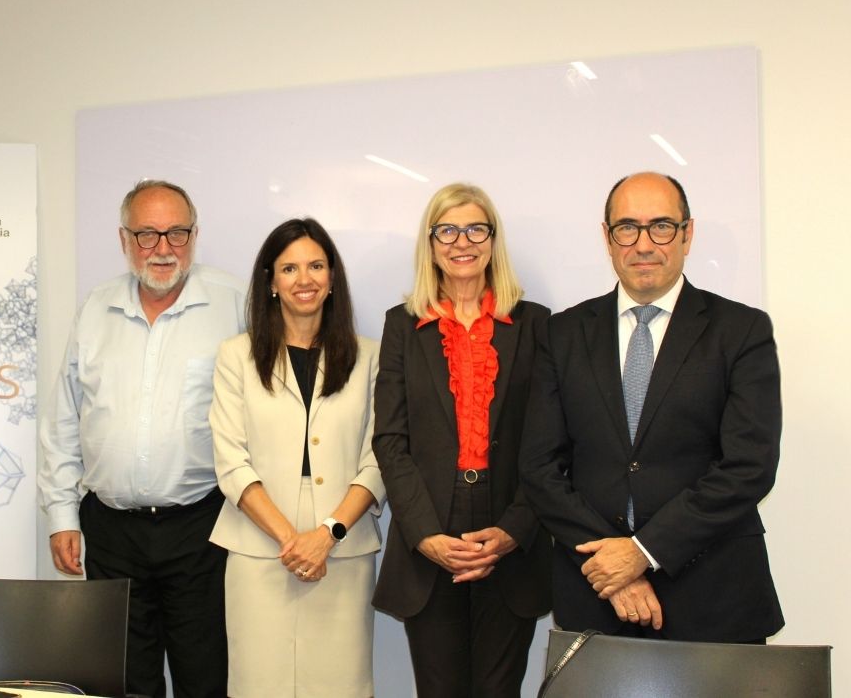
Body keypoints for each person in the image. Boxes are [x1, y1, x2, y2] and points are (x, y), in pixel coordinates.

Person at [519, 171, 784, 643]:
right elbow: (539, 467)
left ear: (687, 234)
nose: (644, 245)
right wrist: (612, 565)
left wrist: (642, 552)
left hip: (716, 597)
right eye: (627, 228)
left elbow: (749, 466)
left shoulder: (741, 330)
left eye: (661, 226)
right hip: (597, 594)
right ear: (607, 237)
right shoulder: (562, 334)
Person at [38, 179, 244, 698]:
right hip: (110, 533)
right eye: (147, 234)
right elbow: (64, 416)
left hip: (200, 529)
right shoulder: (95, 308)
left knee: (205, 679)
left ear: (195, 235)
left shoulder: (233, 304)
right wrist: (62, 515)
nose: (163, 248)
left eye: (177, 233)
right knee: (125, 682)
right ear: (124, 239)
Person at [372, 183, 552, 697]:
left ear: (493, 239)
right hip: (431, 525)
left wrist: (516, 528)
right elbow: (390, 440)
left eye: (476, 229)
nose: (462, 242)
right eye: (447, 231)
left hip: (509, 528)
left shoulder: (536, 324)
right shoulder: (402, 326)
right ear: (430, 244)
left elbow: (550, 441)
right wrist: (424, 534)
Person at [208, 218, 384, 698]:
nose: (304, 279)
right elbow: (231, 461)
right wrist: (293, 543)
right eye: (289, 268)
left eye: (316, 266)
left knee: (340, 686)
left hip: (342, 549)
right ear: (271, 281)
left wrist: (325, 537)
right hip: (259, 549)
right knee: (259, 683)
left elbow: (378, 458)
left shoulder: (371, 357)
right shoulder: (236, 356)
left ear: (333, 278)